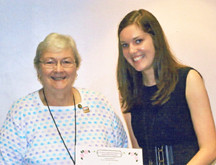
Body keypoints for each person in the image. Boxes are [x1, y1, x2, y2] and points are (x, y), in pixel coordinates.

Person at [0, 33, 128, 165]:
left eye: (66, 62)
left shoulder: (99, 104)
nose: (59, 69)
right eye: (50, 62)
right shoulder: (21, 112)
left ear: (76, 67)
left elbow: (122, 153)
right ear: (38, 69)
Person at [117, 9, 216, 164]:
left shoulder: (188, 79)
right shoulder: (127, 92)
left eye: (138, 41)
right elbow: (139, 153)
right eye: (125, 45)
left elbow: (210, 148)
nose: (131, 50)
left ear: (156, 39)